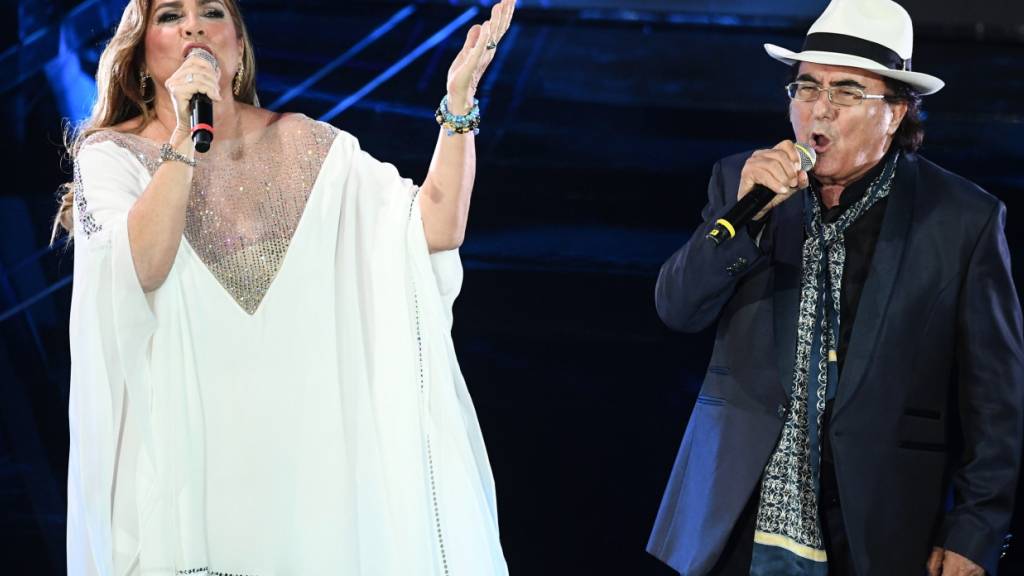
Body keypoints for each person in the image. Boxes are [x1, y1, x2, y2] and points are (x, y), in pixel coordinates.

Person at [57, 0, 515, 573]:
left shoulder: (309, 146)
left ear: (239, 46)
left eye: (213, 12)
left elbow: (434, 230)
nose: (195, 25)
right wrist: (182, 132)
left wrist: (459, 105)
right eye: (170, 15)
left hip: (311, 482)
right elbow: (140, 266)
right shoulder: (111, 157)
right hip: (194, 477)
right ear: (142, 53)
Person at [646, 1, 1023, 575]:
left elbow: (995, 400)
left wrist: (975, 529)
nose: (819, 109)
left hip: (877, 521)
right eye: (807, 87)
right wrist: (748, 219)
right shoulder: (741, 181)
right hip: (735, 511)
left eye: (846, 92)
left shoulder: (961, 219)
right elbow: (677, 307)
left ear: (896, 113)